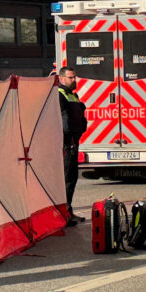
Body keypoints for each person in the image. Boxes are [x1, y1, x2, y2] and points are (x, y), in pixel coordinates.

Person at [58, 66, 88, 226]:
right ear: (61, 78)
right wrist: (69, 140)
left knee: (72, 178)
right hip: (67, 144)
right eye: (71, 77)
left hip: (74, 142)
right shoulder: (60, 94)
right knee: (67, 179)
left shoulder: (72, 95)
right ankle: (64, 214)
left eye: (75, 77)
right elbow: (64, 121)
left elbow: (79, 117)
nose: (74, 80)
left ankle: (68, 211)